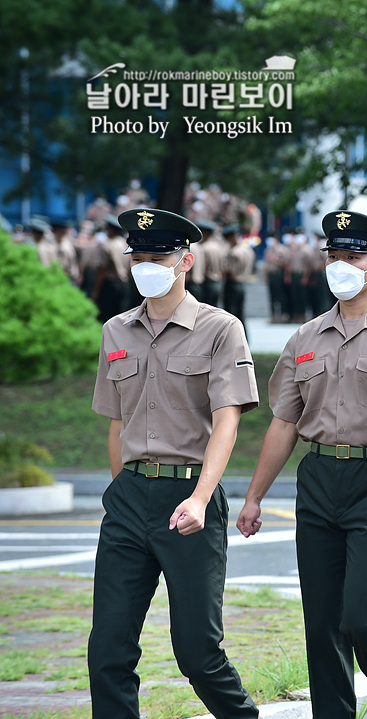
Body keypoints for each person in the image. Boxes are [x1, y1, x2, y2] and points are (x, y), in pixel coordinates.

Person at [236, 211, 367, 719]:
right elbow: (283, 423)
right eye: (334, 256)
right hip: (319, 477)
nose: (340, 265)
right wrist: (255, 496)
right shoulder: (305, 338)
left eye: (353, 256)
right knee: (321, 619)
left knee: (363, 615)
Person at [88, 208, 260, 719]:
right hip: (129, 498)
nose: (145, 266)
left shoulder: (220, 329)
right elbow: (116, 423)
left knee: (197, 653)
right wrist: (121, 490)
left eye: (156, 257)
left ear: (185, 261)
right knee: (108, 649)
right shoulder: (115, 332)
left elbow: (227, 421)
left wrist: (201, 498)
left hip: (189, 496)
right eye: (137, 257)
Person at [222, 224, 255, 328]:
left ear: (231, 237)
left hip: (233, 285)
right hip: (243, 284)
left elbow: (230, 272)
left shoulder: (234, 252)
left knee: (231, 315)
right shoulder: (248, 250)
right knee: (241, 314)